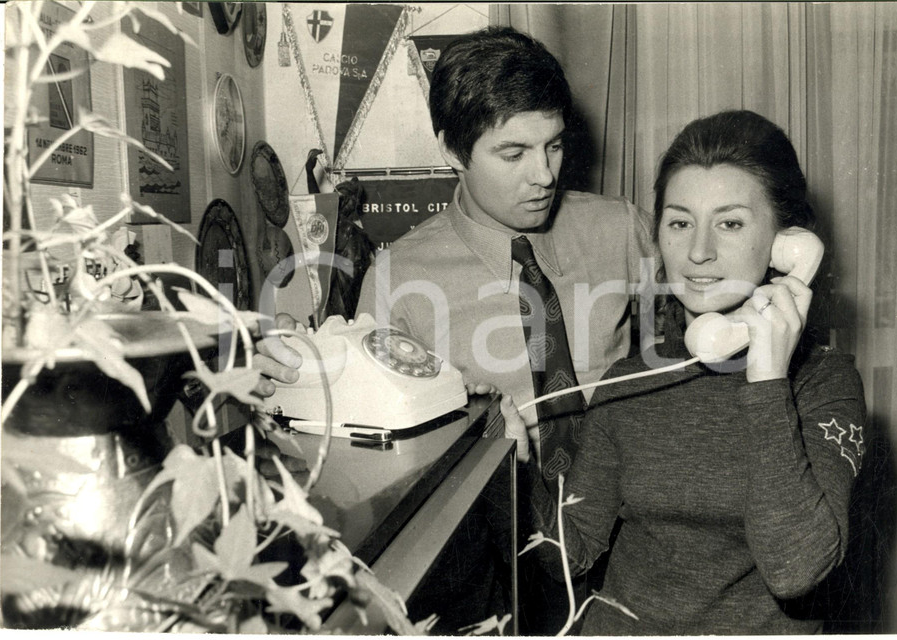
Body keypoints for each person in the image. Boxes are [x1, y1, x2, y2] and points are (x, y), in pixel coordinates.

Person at [256, 26, 657, 635]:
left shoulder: (622, 229)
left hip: (635, 546)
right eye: (513, 154)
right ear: (452, 150)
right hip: (503, 561)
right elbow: (368, 450)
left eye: (553, 146)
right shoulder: (397, 278)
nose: (544, 175)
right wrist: (293, 378)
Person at [501, 109, 868, 635]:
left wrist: (768, 381)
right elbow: (570, 554)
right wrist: (515, 471)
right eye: (679, 223)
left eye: (730, 223)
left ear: (788, 245)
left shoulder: (824, 385)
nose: (698, 252)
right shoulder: (631, 380)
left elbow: (796, 570)